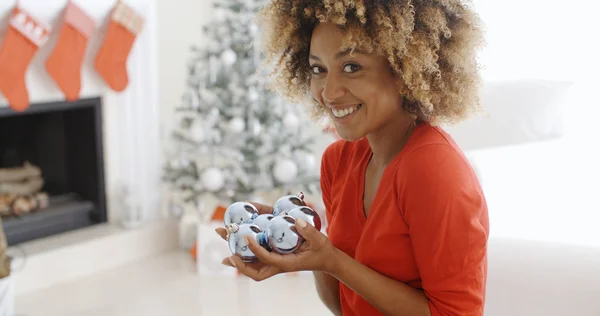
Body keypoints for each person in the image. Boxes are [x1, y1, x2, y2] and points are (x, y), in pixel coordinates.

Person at [216, 1, 489, 315]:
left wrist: (333, 260)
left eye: (351, 67)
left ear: (403, 67)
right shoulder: (339, 162)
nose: (329, 93)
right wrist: (310, 246)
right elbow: (344, 306)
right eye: (319, 69)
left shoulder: (434, 170)